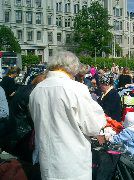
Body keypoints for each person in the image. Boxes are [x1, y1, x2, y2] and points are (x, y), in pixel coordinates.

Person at [29, 51, 106, 180]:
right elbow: (93, 126)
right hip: (73, 164)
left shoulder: (37, 90)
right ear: (73, 69)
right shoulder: (76, 88)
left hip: (47, 161)